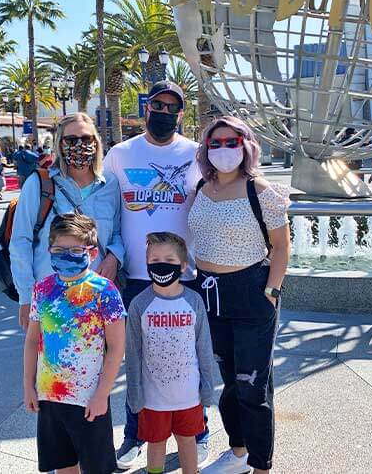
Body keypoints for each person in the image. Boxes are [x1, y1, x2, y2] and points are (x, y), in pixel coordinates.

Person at [103, 81, 209, 468]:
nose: (163, 112)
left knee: (191, 356)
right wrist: (110, 256)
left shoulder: (197, 153)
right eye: (157, 105)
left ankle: (197, 431)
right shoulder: (119, 154)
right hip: (135, 276)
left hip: (186, 276)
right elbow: (107, 210)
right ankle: (135, 433)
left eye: (171, 107)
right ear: (145, 107)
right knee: (138, 359)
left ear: (181, 113)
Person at [189, 116, 291, 474]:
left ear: (245, 145)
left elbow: (281, 248)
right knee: (229, 382)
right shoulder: (202, 186)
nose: (222, 150)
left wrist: (271, 291)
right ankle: (238, 452)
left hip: (251, 294)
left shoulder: (260, 190)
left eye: (230, 142)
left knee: (253, 386)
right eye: (214, 143)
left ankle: (261, 465)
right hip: (209, 295)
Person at [23, 213, 126, 474]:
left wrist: (102, 395)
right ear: (49, 251)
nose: (66, 256)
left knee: (96, 467)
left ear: (91, 254)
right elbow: (33, 339)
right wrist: (28, 385)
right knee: (62, 466)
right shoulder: (42, 289)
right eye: (59, 250)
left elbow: (116, 348)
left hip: (88, 399)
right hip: (50, 397)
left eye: (75, 250)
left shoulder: (105, 291)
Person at [11, 113, 124, 333]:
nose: (80, 145)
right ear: (60, 144)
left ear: (96, 142)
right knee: (52, 363)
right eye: (71, 140)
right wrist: (26, 297)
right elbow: (20, 241)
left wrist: (114, 257)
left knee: (100, 363)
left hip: (97, 299)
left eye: (86, 139)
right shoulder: (40, 183)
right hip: (51, 299)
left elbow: (118, 232)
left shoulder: (110, 184)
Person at [125, 232, 217, 474]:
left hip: (189, 395)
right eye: (154, 260)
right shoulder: (139, 304)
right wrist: (134, 392)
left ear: (184, 266)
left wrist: (208, 386)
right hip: (153, 398)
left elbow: (204, 348)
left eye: (169, 259)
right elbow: (132, 353)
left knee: (188, 442)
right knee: (156, 443)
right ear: (146, 263)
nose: (162, 264)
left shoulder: (194, 301)